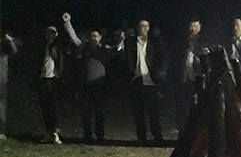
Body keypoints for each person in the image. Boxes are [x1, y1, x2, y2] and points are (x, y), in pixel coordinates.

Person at [62, 13, 120, 143]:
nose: (93, 38)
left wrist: (122, 38)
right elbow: (74, 38)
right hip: (85, 85)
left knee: (99, 112)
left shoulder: (104, 50)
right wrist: (67, 23)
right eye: (91, 36)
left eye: (96, 36)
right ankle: (87, 135)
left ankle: (100, 136)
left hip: (99, 85)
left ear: (100, 38)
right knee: (86, 112)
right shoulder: (84, 48)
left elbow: (118, 49)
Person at [123, 19, 167, 145]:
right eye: (142, 26)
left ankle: (157, 137)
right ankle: (141, 137)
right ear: (137, 27)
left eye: (147, 26)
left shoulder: (155, 42)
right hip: (135, 79)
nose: (144, 29)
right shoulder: (130, 42)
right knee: (138, 111)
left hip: (150, 80)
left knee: (153, 111)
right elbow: (127, 58)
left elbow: (163, 57)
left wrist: (160, 72)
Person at [171, 16, 209, 134]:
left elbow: (206, 61)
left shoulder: (204, 42)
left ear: (200, 27)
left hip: (198, 79)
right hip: (183, 79)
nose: (193, 29)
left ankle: (195, 133)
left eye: (195, 26)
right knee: (182, 107)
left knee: (197, 108)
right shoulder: (182, 42)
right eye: (191, 26)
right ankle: (182, 131)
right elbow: (175, 58)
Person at [38, 25, 64, 144]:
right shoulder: (41, 47)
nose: (49, 35)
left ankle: (55, 132)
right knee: (45, 107)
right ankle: (48, 132)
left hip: (53, 78)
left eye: (52, 33)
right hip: (42, 78)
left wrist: (59, 73)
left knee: (54, 106)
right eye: (48, 33)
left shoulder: (58, 47)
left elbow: (61, 61)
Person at [0, 30, 21, 140]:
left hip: (1, 80)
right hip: (2, 79)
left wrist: (10, 41)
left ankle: (1, 131)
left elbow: (15, 50)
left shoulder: (4, 45)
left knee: (1, 106)